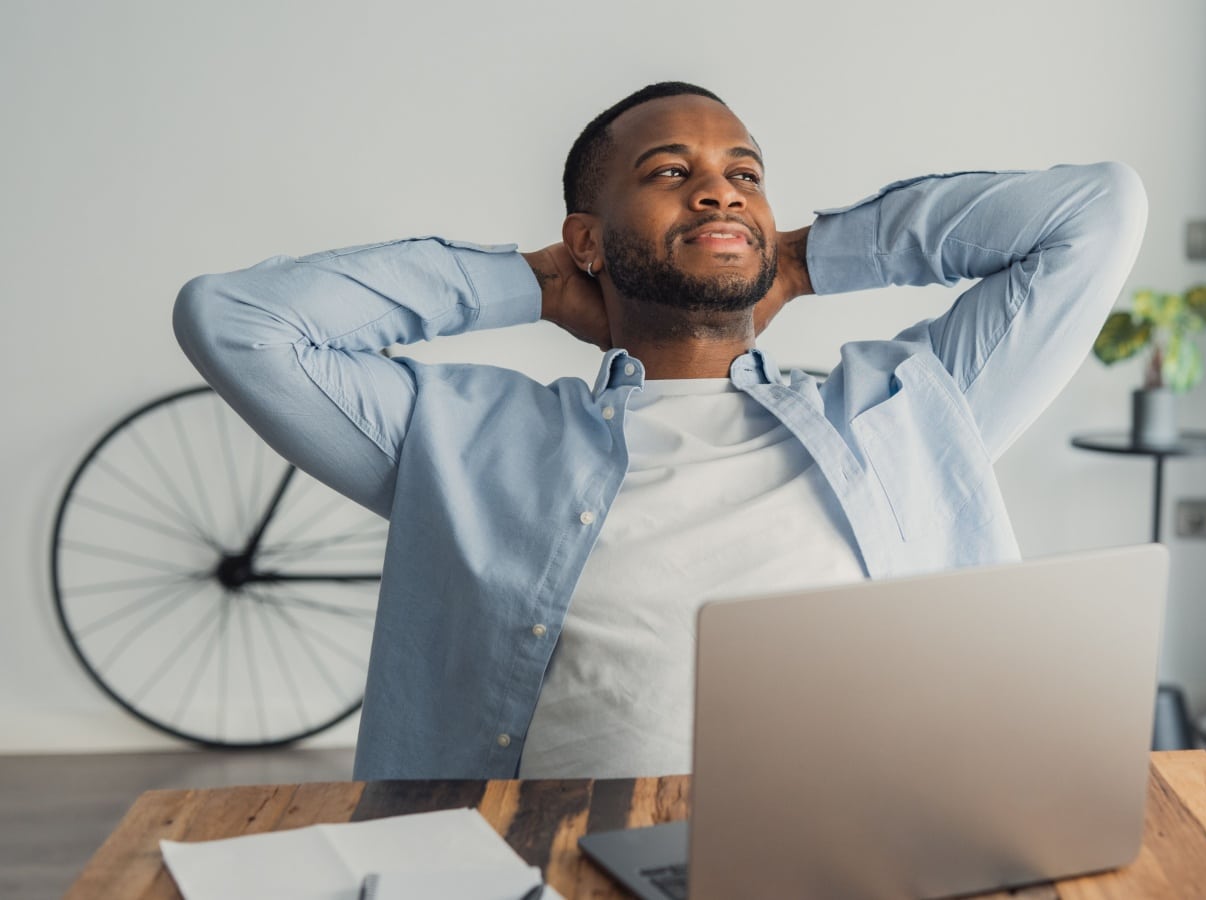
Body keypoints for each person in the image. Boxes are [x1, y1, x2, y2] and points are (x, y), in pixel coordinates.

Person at [173, 82, 1147, 781]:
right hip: (556, 855)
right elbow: (235, 322)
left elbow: (1097, 212)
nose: (719, 191)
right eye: (670, 171)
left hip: (863, 851)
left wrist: (800, 263)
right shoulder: (463, 436)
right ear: (588, 237)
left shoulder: (909, 408)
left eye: (744, 176)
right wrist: (540, 282)